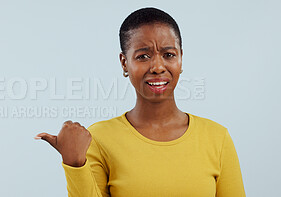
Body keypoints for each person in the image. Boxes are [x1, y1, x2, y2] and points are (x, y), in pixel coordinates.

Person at [35, 7, 245, 197]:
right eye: (143, 56)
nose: (157, 67)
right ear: (124, 63)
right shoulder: (99, 138)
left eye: (169, 54)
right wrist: (74, 164)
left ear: (181, 58)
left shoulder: (217, 138)